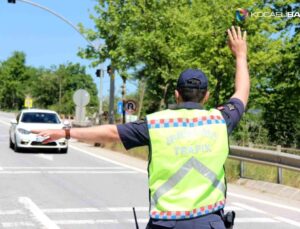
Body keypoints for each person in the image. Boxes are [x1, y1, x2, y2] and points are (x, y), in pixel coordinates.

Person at [32, 26, 249, 229]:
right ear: (207, 96)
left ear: (176, 94)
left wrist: (65, 132)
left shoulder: (157, 123)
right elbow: (241, 93)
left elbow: (110, 132)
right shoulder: (220, 120)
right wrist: (240, 55)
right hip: (210, 222)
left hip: (166, 224)